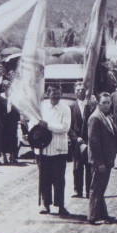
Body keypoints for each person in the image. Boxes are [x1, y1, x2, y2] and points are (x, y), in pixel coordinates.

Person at [37, 85, 71, 215]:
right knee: (44, 179)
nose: (56, 96)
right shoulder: (42, 106)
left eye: (58, 93)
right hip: (44, 149)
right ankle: (46, 205)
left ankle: (61, 205)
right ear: (48, 93)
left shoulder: (65, 108)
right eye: (53, 93)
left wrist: (48, 126)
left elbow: (65, 127)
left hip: (59, 149)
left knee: (59, 179)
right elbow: (35, 121)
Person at [87, 92, 117, 225]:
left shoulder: (107, 116)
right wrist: (99, 162)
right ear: (98, 103)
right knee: (96, 187)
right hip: (100, 160)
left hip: (107, 158)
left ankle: (103, 214)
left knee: (101, 187)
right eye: (104, 102)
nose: (106, 105)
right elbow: (93, 142)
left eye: (108, 102)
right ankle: (92, 216)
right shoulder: (95, 118)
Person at [69, 82, 95, 199]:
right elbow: (69, 126)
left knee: (89, 167)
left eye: (83, 90)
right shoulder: (71, 107)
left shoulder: (91, 106)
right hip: (77, 143)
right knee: (77, 167)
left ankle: (89, 190)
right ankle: (77, 190)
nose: (81, 92)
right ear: (75, 92)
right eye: (78, 90)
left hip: (89, 141)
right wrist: (75, 138)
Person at [0, 80, 20, 164]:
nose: (6, 88)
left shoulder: (14, 96)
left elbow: (18, 108)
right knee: (4, 138)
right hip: (4, 120)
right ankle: (4, 156)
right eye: (4, 87)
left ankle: (12, 156)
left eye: (8, 86)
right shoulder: (0, 96)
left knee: (13, 138)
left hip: (12, 119)